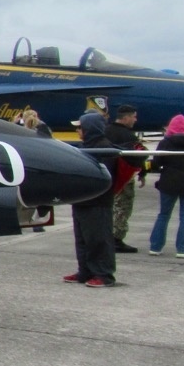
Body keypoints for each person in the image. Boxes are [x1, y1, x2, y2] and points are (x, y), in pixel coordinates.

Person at [65, 112, 118, 287]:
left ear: (89, 128)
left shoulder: (103, 147)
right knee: (82, 239)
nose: (78, 130)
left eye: (80, 127)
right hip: (81, 200)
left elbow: (105, 176)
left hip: (97, 201)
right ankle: (85, 271)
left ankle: (103, 274)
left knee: (98, 239)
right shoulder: (85, 146)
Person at [147, 113, 184, 259]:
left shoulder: (165, 143)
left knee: (164, 214)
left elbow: (156, 163)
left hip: (169, 182)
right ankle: (183, 249)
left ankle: (155, 247)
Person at [105, 104, 145, 253]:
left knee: (110, 207)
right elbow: (139, 156)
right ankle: (116, 238)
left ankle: (107, 235)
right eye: (134, 116)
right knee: (123, 207)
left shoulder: (106, 131)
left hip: (107, 176)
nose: (135, 120)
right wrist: (142, 173)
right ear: (126, 117)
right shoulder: (128, 136)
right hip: (124, 177)